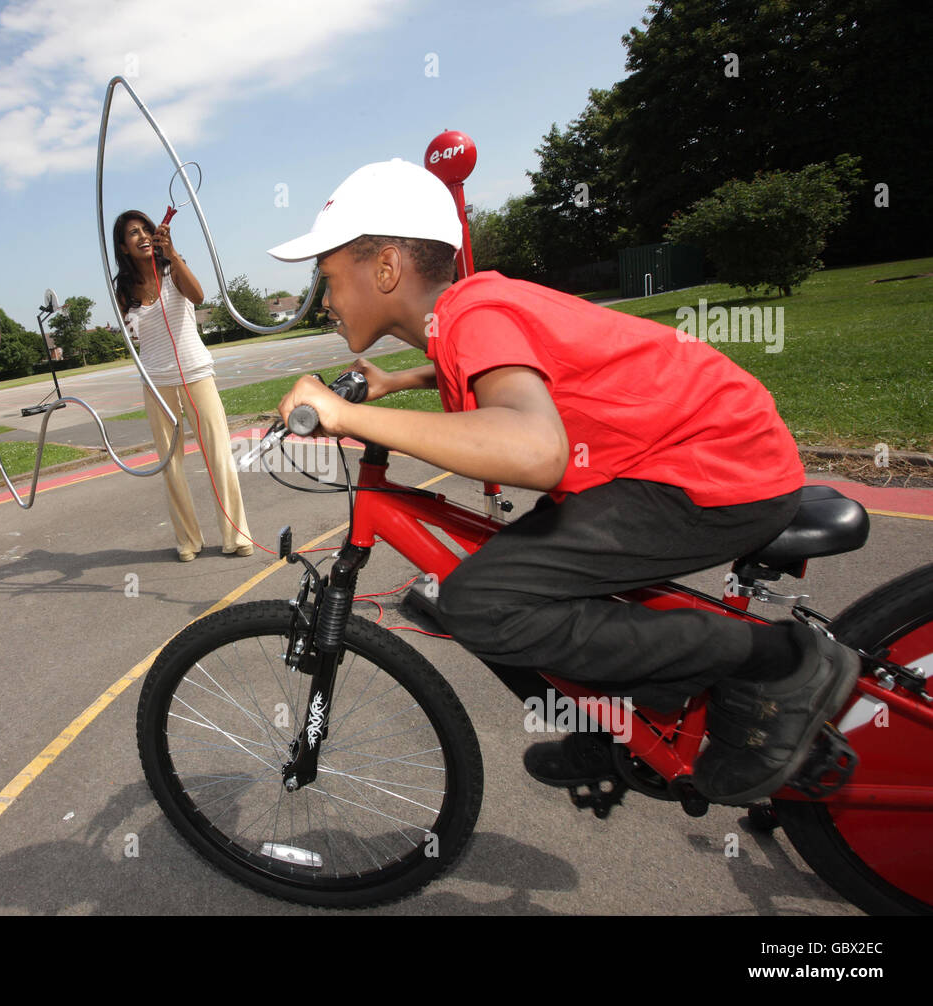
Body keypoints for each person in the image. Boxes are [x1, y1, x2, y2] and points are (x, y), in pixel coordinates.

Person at [268, 159, 859, 807]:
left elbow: (535, 448)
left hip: (714, 470)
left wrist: (347, 413)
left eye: (327, 278)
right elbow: (504, 367)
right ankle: (611, 724)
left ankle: (779, 660)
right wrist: (397, 383)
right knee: (523, 575)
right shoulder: (468, 313)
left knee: (482, 602)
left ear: (385, 269)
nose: (323, 300)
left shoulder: (473, 318)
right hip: (694, 453)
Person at [112, 209, 252, 561]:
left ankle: (235, 535)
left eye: (146, 229)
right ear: (123, 246)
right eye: (133, 233)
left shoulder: (172, 268)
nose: (143, 235)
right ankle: (189, 540)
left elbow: (200, 296)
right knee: (170, 465)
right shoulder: (123, 290)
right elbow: (131, 336)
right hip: (157, 384)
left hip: (195, 374)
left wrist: (171, 254)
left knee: (218, 455)